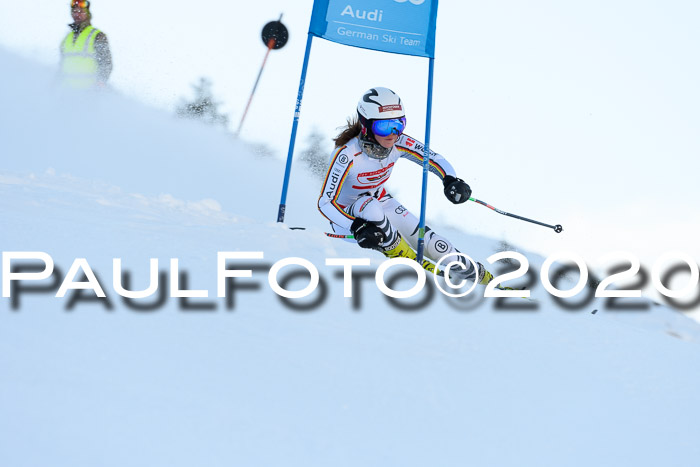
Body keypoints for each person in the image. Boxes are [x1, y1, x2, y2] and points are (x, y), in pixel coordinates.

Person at [318, 87, 497, 285]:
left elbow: (434, 158)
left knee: (438, 247)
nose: (393, 134)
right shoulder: (347, 154)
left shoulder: (399, 142)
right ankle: (407, 260)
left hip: (381, 201)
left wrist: (450, 179)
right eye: (384, 127)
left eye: (398, 125)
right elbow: (325, 202)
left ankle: (488, 282)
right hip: (350, 218)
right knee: (371, 207)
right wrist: (356, 225)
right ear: (366, 126)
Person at [60, 0, 112, 89]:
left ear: (87, 13)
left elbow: (106, 63)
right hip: (68, 93)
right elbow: (61, 66)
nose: (77, 14)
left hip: (89, 92)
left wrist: (101, 81)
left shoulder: (97, 36)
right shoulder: (66, 39)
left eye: (81, 11)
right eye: (74, 11)